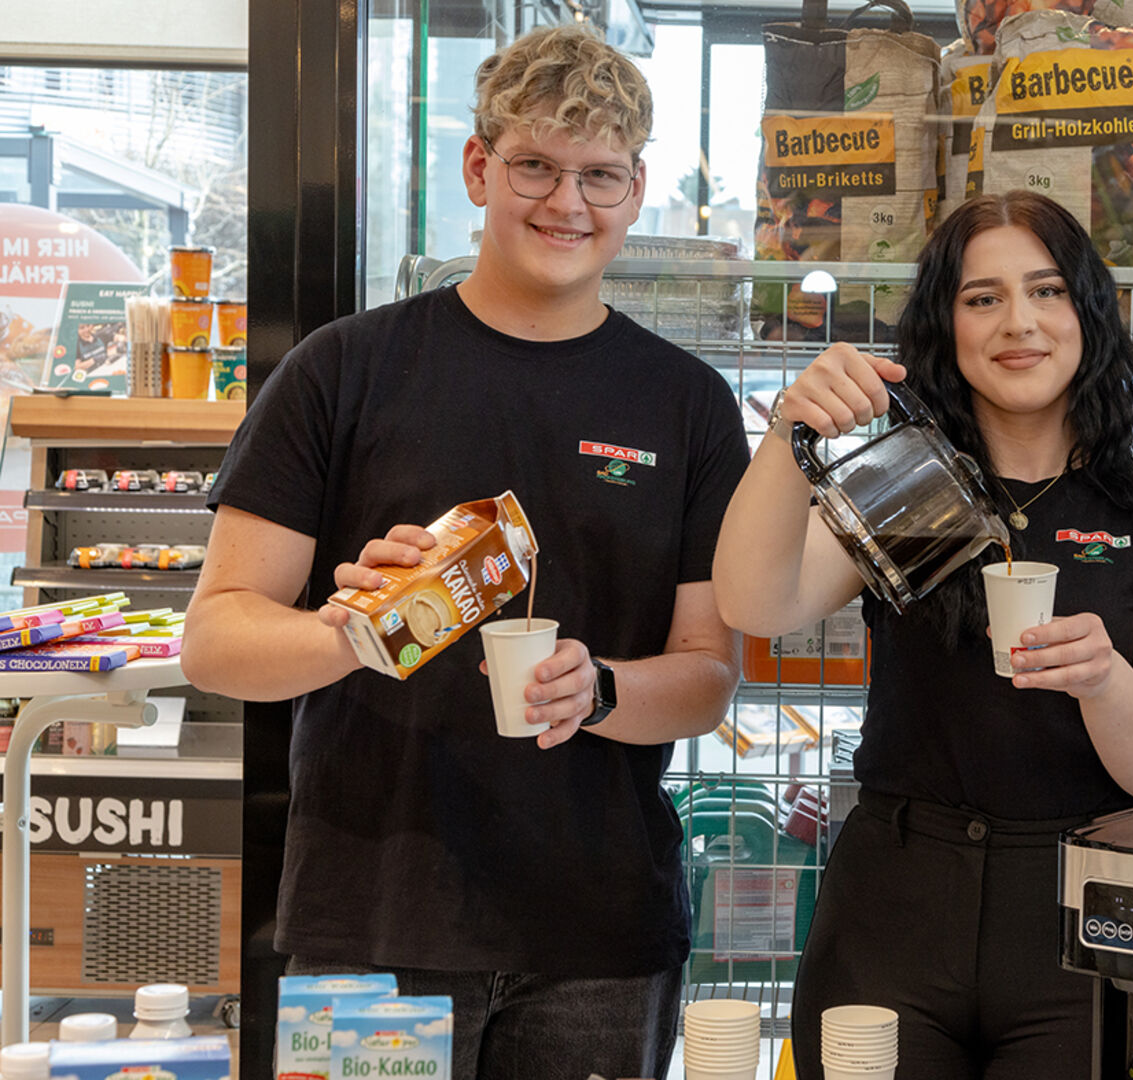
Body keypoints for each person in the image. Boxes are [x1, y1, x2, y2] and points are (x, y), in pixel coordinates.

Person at [181, 24, 748, 1080]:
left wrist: (601, 689)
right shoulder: (341, 370)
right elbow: (214, 642)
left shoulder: (688, 404)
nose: (566, 203)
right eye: (535, 166)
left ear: (635, 190)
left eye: (599, 175)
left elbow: (709, 674)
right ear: (479, 167)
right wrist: (353, 632)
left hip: (599, 937)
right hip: (369, 923)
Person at [713, 190, 1133, 1080]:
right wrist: (789, 436)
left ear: (1087, 312)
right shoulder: (910, 489)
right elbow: (756, 605)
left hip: (1087, 910)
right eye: (981, 298)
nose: (1018, 322)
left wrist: (1104, 680)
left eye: (1046, 290)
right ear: (944, 327)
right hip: (893, 905)